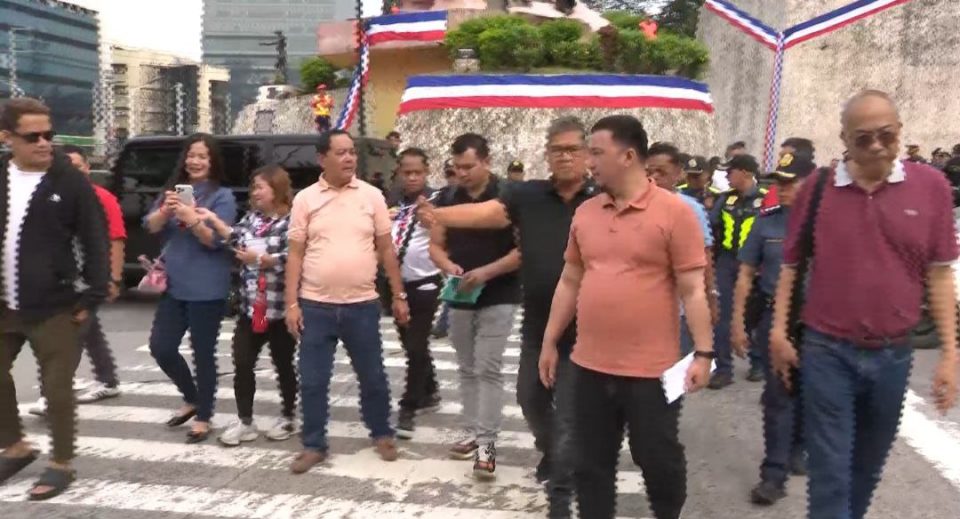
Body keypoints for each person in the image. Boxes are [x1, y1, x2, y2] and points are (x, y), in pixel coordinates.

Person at [770, 90, 959, 519]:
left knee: (866, 470)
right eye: (863, 138)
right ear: (844, 139)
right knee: (830, 473)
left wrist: (951, 352)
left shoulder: (931, 187)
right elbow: (791, 265)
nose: (876, 146)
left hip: (894, 355)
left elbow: (939, 274)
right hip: (826, 352)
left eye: (886, 135)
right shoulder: (818, 190)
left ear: (900, 132)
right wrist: (779, 332)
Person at [419, 116, 596, 516]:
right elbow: (490, 215)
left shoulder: (601, 197)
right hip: (538, 323)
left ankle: (562, 493)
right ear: (546, 155)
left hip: (587, 325)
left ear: (587, 154)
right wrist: (438, 216)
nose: (565, 156)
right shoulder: (528, 196)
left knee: (569, 411)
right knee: (530, 398)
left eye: (572, 149)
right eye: (557, 150)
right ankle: (553, 453)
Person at [542, 115, 714, 519]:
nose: (588, 162)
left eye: (596, 153)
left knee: (656, 457)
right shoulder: (587, 213)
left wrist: (704, 353)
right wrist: (550, 340)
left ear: (628, 156)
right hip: (589, 365)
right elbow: (570, 279)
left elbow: (693, 289)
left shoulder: (674, 213)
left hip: (652, 370)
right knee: (591, 463)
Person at [0, 98, 109, 500]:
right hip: (5, 305)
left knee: (57, 388)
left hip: (56, 304)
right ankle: (16, 447)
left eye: (49, 134)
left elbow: (95, 238)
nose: (45, 143)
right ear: (7, 137)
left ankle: (61, 463)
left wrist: (93, 296)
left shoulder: (69, 181)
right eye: (33, 137)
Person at [285, 129, 409, 473]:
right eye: (340, 152)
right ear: (322, 158)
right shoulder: (305, 199)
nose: (349, 158)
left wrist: (399, 294)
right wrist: (292, 304)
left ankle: (381, 433)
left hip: (362, 305)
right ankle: (314, 444)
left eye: (352, 152)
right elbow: (295, 253)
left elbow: (386, 249)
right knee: (312, 380)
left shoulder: (372, 196)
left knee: (373, 376)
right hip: (315, 305)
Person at [428, 133, 521, 480]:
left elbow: (523, 250)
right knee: (466, 368)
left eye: (469, 166)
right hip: (460, 294)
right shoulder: (447, 198)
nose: (462, 173)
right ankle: (471, 430)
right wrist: (447, 266)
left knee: (488, 369)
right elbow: (436, 246)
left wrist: (487, 272)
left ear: (486, 161)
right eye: (457, 167)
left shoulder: (508, 195)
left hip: (500, 292)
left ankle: (487, 447)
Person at [143, 133, 238, 443]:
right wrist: (166, 211)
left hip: (208, 288)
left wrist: (193, 220)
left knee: (203, 353)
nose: (195, 161)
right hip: (174, 285)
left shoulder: (222, 196)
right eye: (191, 155)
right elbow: (150, 226)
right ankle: (192, 396)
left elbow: (218, 242)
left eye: (202, 156)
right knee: (161, 346)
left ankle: (204, 415)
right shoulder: (173, 192)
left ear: (212, 162)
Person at [196, 165, 298, 446]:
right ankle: (245, 421)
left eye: (260, 187)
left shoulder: (291, 221)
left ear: (276, 189)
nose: (254, 193)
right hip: (253, 308)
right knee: (242, 363)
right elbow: (234, 236)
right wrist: (211, 219)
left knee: (283, 364)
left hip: (279, 309)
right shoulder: (252, 219)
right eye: (253, 187)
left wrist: (264, 260)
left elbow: (295, 256)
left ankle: (288, 416)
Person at [730, 153, 810, 505]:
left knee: (811, 393)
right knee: (778, 397)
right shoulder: (767, 222)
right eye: (781, 182)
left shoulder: (827, 223)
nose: (784, 188)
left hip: (817, 324)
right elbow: (746, 274)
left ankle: (798, 448)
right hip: (773, 318)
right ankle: (773, 474)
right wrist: (737, 321)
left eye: (792, 182)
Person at [390, 148, 443, 439]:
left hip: (425, 283)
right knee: (411, 342)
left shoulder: (437, 200)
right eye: (407, 172)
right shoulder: (391, 200)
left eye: (417, 172)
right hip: (396, 284)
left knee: (414, 345)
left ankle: (408, 407)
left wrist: (432, 220)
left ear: (426, 172)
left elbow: (448, 232)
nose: (412, 178)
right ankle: (430, 389)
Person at [65, 145, 124, 404]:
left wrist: (114, 278)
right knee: (89, 330)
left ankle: (53, 392)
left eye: (77, 166)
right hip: (68, 279)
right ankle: (107, 379)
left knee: (72, 332)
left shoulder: (102, 198)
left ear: (87, 167)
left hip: (92, 280)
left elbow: (116, 239)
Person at [646, 143, 718, 356]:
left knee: (674, 371)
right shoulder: (630, 206)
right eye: (649, 171)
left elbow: (705, 256)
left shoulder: (690, 209)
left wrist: (711, 297)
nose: (654, 178)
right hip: (639, 310)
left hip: (678, 311)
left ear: (678, 174)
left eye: (661, 172)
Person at [709, 154, 768, 389]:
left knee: (755, 315)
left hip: (757, 264)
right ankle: (723, 368)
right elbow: (712, 226)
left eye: (730, 171)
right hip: (727, 261)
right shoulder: (725, 199)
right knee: (721, 315)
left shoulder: (766, 199)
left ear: (745, 172)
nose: (726, 176)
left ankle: (757, 361)